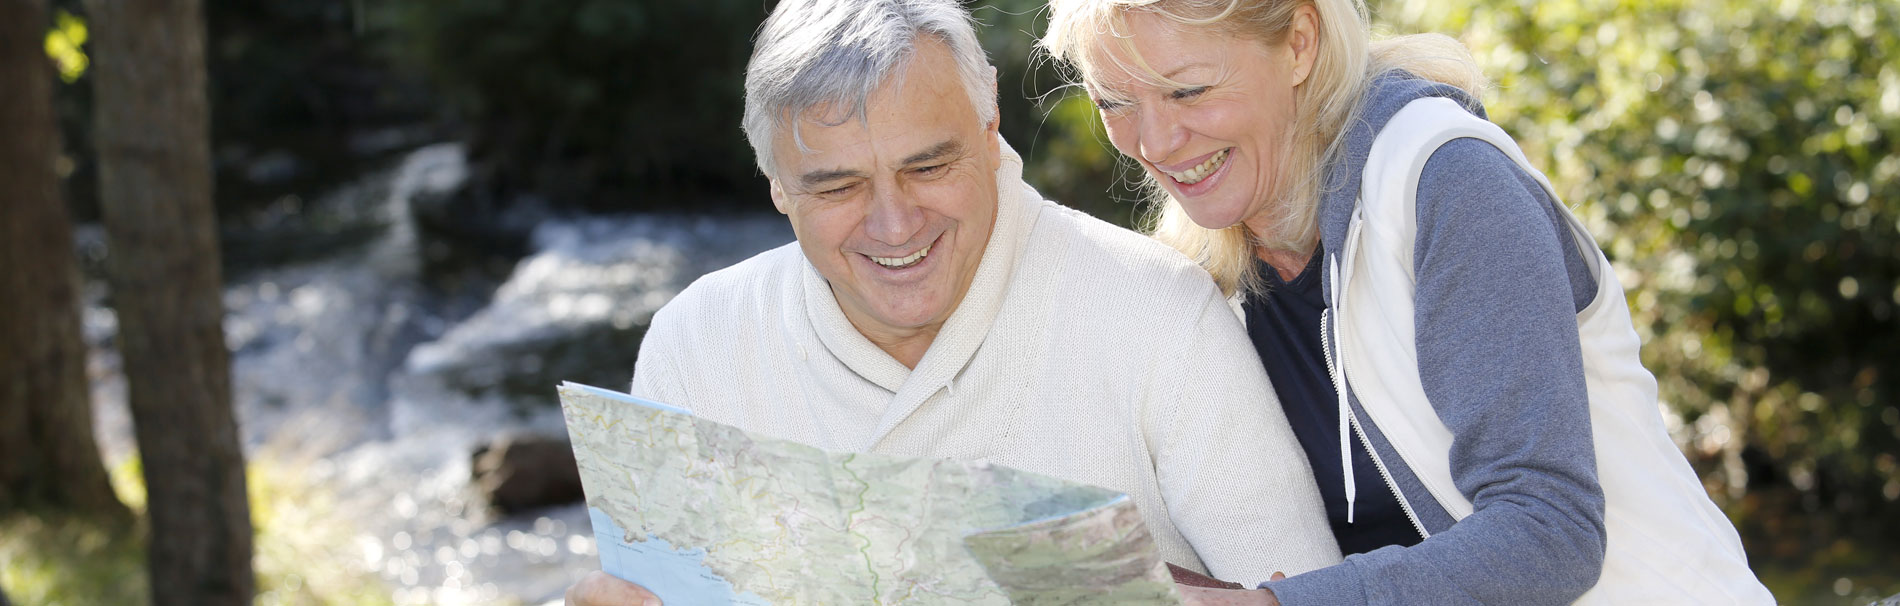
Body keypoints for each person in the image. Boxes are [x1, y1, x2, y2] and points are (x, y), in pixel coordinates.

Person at [564, 0, 1345, 603]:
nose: (895, 224)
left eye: (929, 168)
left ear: (990, 120)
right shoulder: (698, 345)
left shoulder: (1157, 313)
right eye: (837, 186)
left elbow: (1299, 589)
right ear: (775, 184)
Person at [1039, 0, 1775, 604]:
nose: (1156, 139)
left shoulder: (1448, 182)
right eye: (1114, 101)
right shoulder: (1202, 279)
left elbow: (1551, 532)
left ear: (1299, 42)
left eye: (1188, 89)